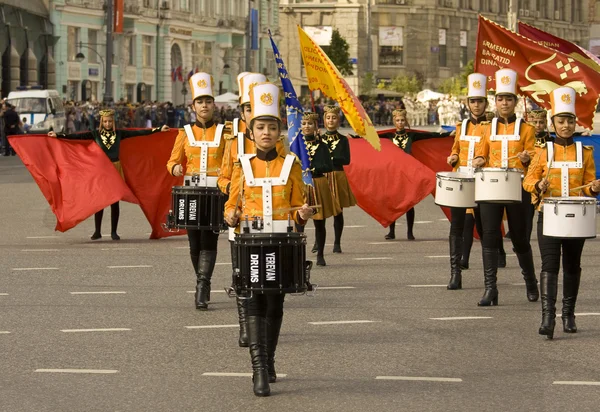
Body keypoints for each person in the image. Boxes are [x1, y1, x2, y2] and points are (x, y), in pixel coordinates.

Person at [224, 82, 311, 397]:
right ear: (251, 129)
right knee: (253, 302)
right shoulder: (242, 165)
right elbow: (231, 204)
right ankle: (258, 368)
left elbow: (299, 213)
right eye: (260, 127)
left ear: (279, 131)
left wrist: (303, 214)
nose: (265, 133)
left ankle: (270, 359)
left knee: (275, 304)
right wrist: (230, 215)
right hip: (249, 244)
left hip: (281, 244)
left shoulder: (292, 165)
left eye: (271, 127)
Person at [524, 87, 600, 339]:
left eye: (569, 120)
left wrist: (593, 187)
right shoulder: (543, 152)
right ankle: (548, 317)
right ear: (553, 123)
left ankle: (568, 314)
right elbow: (528, 180)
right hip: (548, 215)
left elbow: (589, 185)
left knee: (572, 265)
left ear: (574, 122)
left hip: (576, 218)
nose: (566, 125)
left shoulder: (585, 152)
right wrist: (538, 185)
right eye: (561, 120)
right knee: (549, 265)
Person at [218, 72, 285, 346]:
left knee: (269, 282)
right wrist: (235, 203)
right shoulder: (233, 143)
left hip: (275, 229)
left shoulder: (282, 147)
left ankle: (263, 333)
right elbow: (225, 180)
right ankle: (245, 324)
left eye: (252, 108)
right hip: (243, 228)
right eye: (246, 109)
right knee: (243, 277)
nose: (249, 114)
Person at [49, 109, 169, 239]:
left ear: (113, 122)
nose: (107, 124)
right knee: (100, 201)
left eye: (110, 121)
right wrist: (59, 136)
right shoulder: (95, 134)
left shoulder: (119, 133)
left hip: (116, 169)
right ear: (101, 122)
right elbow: (77, 137)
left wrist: (158, 130)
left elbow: (138, 133)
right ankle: (97, 231)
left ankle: (114, 231)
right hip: (101, 171)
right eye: (105, 121)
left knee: (115, 201)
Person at [472, 68, 538, 306]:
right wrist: (478, 160)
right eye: (500, 99)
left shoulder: (527, 129)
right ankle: (491, 289)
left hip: (518, 188)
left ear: (515, 101)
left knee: (520, 238)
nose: (504, 103)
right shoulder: (486, 129)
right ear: (495, 101)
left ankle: (530, 280)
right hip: (491, 187)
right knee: (489, 236)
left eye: (508, 98)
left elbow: (535, 155)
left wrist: (527, 157)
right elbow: (481, 154)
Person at [167, 72, 228, 310]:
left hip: (215, 195)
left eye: (208, 101)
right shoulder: (184, 133)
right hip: (191, 194)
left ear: (214, 105)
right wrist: (175, 168)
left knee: (209, 240)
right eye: (200, 102)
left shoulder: (225, 133)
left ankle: (203, 285)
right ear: (193, 106)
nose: (204, 106)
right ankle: (201, 281)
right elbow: (171, 162)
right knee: (194, 243)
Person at [445, 73, 489, 289]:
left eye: (480, 101)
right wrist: (453, 156)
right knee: (457, 227)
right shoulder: (461, 126)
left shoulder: (492, 126)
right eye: (473, 101)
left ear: (486, 103)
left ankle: (490, 278)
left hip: (483, 182)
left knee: (483, 228)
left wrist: (485, 159)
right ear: (467, 103)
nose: (476, 105)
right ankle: (455, 273)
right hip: (461, 181)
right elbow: (456, 149)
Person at [383, 109, 454, 240]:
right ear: (394, 121)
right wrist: (354, 138)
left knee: (409, 202)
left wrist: (448, 134)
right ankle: (391, 231)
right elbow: (371, 138)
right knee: (393, 201)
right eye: (398, 120)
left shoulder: (411, 136)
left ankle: (410, 232)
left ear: (406, 121)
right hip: (394, 173)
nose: (400, 123)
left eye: (402, 120)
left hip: (408, 173)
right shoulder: (389, 136)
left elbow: (431, 135)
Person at [302, 111, 336, 266]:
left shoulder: (322, 146)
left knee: (319, 222)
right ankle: (299, 254)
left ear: (316, 126)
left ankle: (320, 254)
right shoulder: (297, 144)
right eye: (304, 124)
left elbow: (328, 166)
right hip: (302, 185)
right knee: (299, 222)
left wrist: (314, 168)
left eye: (310, 124)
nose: (306, 126)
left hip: (317, 183)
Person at [321, 105, 356, 253]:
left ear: (338, 120)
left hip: (337, 175)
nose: (331, 120)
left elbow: (346, 159)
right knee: (320, 211)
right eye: (328, 118)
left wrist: (329, 158)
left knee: (338, 211)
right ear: (324, 120)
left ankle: (337, 242)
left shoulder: (343, 140)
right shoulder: (319, 139)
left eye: (334, 118)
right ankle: (319, 242)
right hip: (322, 178)